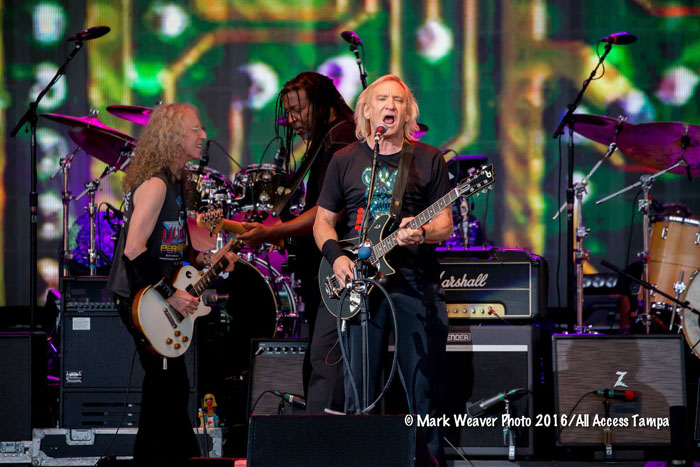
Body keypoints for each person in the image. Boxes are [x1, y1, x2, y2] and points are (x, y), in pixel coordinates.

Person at [313, 74, 453, 465]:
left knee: (421, 390)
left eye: (399, 101)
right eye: (383, 99)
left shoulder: (427, 158)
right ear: (367, 111)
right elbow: (322, 222)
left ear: (408, 113)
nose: (390, 105)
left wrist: (420, 232)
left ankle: (426, 460)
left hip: (412, 283)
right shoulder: (344, 160)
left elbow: (445, 226)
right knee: (362, 389)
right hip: (358, 286)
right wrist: (336, 257)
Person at [107, 103, 238, 465]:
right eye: (195, 129)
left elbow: (173, 250)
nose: (204, 136)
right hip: (142, 298)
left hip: (161, 296)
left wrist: (206, 262)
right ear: (173, 137)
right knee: (169, 386)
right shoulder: (155, 185)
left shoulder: (179, 183)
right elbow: (134, 250)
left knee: (167, 387)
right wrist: (171, 294)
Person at [237, 72, 356, 415]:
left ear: (321, 104)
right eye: (288, 112)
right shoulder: (326, 140)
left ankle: (322, 445)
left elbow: (326, 211)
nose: (291, 121)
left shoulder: (340, 138)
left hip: (336, 270)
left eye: (297, 110)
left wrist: (275, 232)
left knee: (325, 364)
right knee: (319, 363)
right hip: (324, 271)